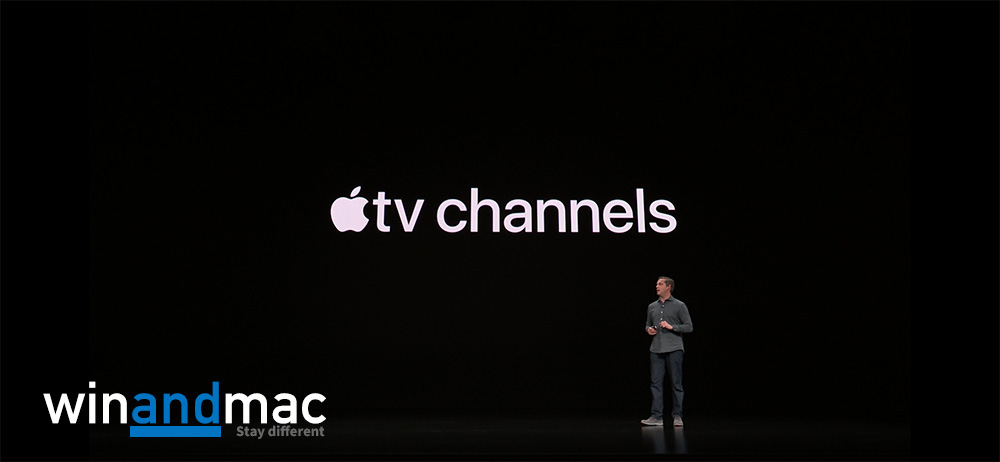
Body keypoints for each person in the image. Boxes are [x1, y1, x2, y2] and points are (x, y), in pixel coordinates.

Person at [641, 276, 693, 427]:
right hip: (656, 349)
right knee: (655, 383)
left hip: (674, 348)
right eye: (657, 284)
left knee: (676, 383)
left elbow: (689, 327)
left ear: (668, 287)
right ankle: (657, 416)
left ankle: (677, 416)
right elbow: (647, 324)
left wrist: (672, 327)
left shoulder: (679, 305)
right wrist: (649, 329)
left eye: (660, 284)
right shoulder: (652, 306)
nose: (656, 286)